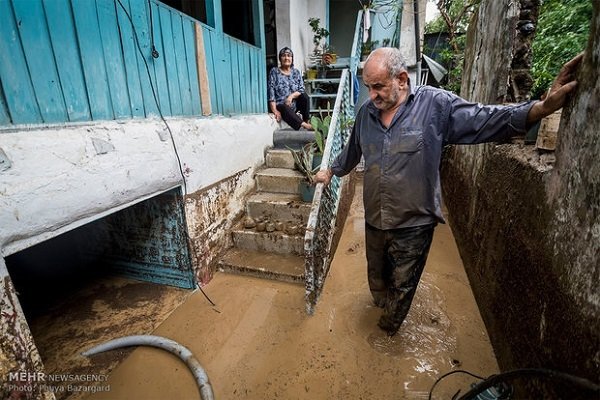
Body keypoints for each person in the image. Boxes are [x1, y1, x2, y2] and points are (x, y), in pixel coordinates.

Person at [314, 47, 583, 336]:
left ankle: (383, 335)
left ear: (402, 79)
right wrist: (330, 170)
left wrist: (540, 109)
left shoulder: (435, 106)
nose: (372, 95)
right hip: (375, 220)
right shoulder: (367, 114)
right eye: (368, 87)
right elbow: (353, 150)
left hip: (413, 225)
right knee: (376, 278)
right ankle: (379, 305)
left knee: (402, 290)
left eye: (378, 86)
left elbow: (484, 118)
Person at [268, 47, 313, 130]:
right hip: (281, 105)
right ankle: (305, 125)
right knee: (284, 107)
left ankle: (306, 120)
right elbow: (271, 92)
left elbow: (301, 89)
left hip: (293, 105)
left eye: (289, 56)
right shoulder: (274, 72)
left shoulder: (296, 72)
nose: (286, 58)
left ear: (292, 58)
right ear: (280, 59)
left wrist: (291, 96)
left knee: (305, 96)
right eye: (283, 56)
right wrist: (274, 110)